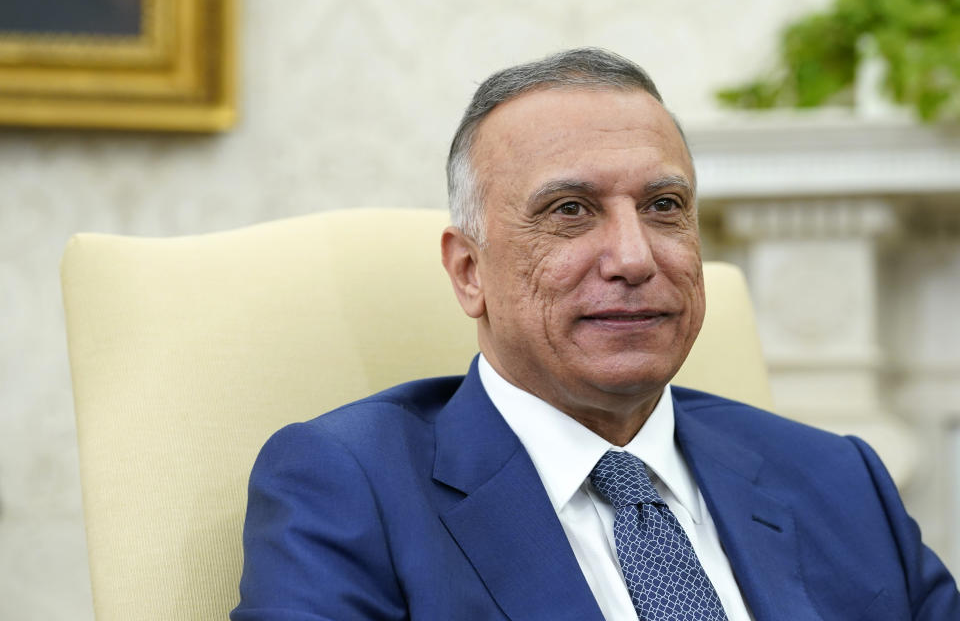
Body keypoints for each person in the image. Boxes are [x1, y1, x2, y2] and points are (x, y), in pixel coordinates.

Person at [231, 48, 960, 620]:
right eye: (571, 211)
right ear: (468, 272)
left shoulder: (839, 480)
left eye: (664, 205)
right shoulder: (348, 485)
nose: (636, 258)